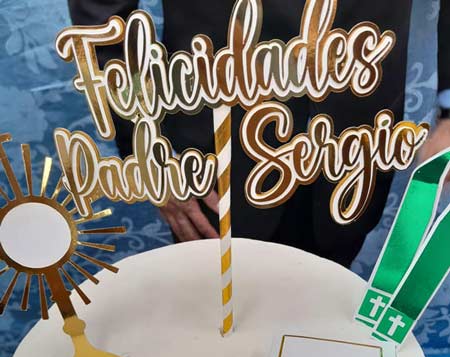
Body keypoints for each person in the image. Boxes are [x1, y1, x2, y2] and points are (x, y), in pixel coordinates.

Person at [68, 0, 450, 267]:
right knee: (214, 330)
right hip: (212, 157)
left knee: (319, 322)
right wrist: (146, 142)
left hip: (357, 145)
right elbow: (102, 23)